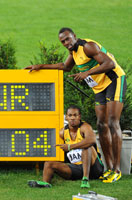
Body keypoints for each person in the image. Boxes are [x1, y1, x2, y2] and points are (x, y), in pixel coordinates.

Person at [25, 27, 126, 183]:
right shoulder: (73, 52)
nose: (66, 43)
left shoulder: (87, 46)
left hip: (114, 80)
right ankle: (109, 168)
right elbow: (65, 67)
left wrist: (87, 73)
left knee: (112, 122)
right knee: (101, 125)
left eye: (67, 39)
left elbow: (110, 63)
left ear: (74, 36)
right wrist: (40, 66)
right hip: (99, 87)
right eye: (62, 41)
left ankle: (117, 170)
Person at [28, 105, 103, 188]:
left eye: (75, 115)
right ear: (66, 117)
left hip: (94, 168)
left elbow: (91, 140)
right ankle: (45, 183)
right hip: (77, 168)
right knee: (49, 163)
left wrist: (70, 147)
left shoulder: (85, 127)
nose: (72, 118)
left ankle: (85, 179)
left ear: (79, 117)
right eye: (70, 115)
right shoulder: (62, 132)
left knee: (86, 146)